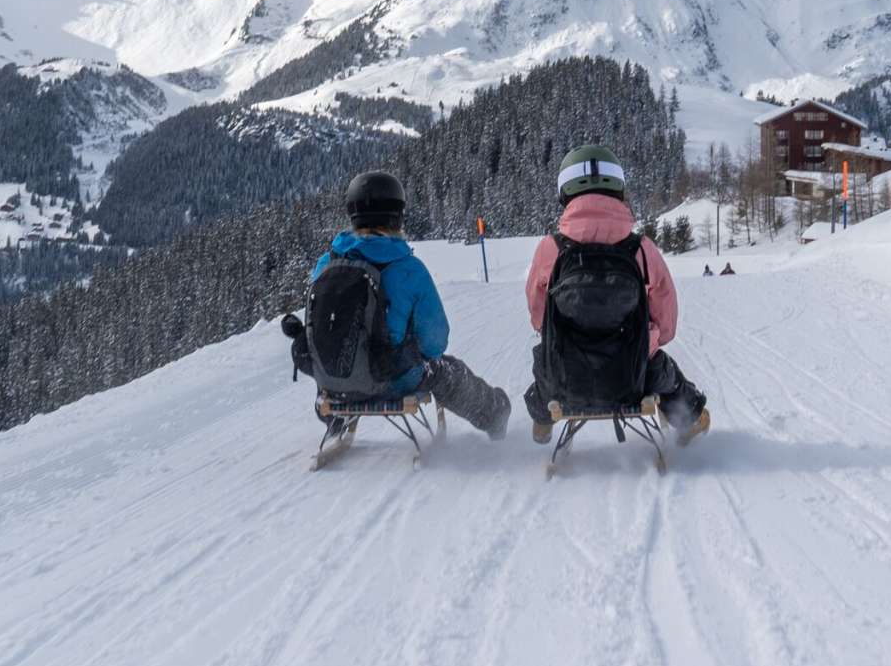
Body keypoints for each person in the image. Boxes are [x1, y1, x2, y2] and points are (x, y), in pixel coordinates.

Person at [285, 170, 512, 438]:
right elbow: (435, 342)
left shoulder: (326, 264)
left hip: (332, 382)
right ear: (397, 214)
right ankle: (494, 415)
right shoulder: (409, 269)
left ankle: (334, 420)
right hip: (391, 381)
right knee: (446, 370)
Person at [521, 145, 709, 445]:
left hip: (567, 378)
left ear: (564, 192)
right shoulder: (641, 249)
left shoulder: (551, 248)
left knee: (543, 366)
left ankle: (542, 422)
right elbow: (666, 320)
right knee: (663, 370)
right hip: (630, 376)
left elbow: (539, 316)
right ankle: (691, 420)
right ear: (618, 188)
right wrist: (652, 339)